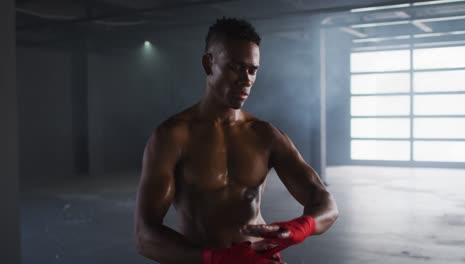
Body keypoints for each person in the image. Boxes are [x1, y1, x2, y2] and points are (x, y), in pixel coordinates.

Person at [134, 17, 339, 264]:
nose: (246, 79)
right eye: (235, 67)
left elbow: (326, 204)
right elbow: (145, 237)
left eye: (252, 70)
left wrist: (299, 228)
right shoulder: (173, 137)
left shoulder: (265, 135)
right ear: (208, 63)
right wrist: (218, 259)